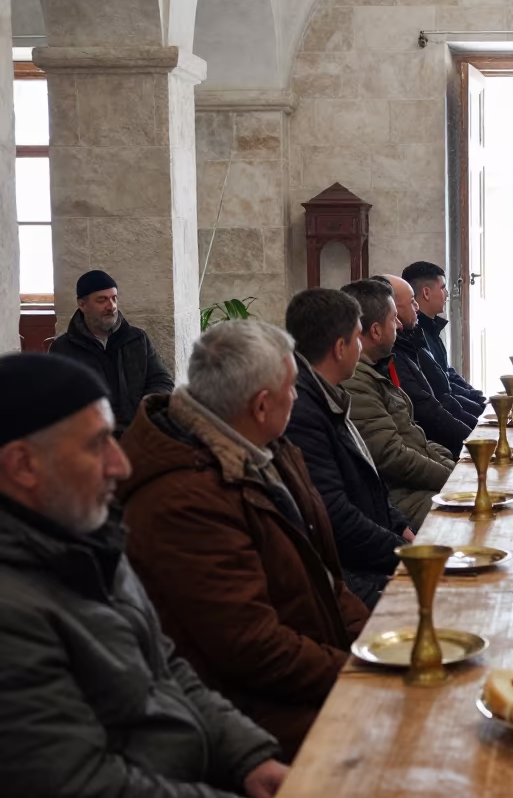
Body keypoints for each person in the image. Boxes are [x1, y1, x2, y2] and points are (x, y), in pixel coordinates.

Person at [0, 352, 288, 795]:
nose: (121, 465)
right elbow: (82, 785)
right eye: (97, 444)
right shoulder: (13, 611)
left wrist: (248, 756)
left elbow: (166, 666)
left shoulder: (87, 539)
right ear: (23, 466)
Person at [117, 321, 370, 760]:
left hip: (315, 668)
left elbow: (322, 574)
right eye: (292, 387)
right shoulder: (183, 502)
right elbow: (252, 648)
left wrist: (374, 640)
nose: (298, 397)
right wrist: (360, 672)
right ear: (260, 405)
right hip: (253, 719)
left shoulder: (264, 445)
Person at [284, 288, 414, 608]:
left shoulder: (325, 392)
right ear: (340, 347)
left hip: (371, 554)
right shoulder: (303, 410)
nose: (361, 345)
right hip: (350, 576)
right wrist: (407, 556)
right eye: (358, 337)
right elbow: (336, 519)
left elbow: (369, 483)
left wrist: (403, 531)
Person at [342, 278, 454, 531]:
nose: (401, 326)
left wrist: (452, 465)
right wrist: (454, 479)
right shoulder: (355, 381)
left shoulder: (374, 370)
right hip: (405, 499)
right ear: (376, 331)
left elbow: (415, 436)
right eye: (394, 319)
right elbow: (392, 456)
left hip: (418, 487)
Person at [49, 270, 174, 435]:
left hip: (138, 432)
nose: (111, 306)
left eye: (114, 298)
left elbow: (162, 381)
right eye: (102, 300)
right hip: (91, 438)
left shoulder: (137, 339)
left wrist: (145, 412)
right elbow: (57, 401)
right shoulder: (63, 349)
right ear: (82, 305)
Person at [381, 274, 476, 456]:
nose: (416, 308)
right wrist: (472, 440)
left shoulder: (413, 339)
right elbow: (428, 412)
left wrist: (480, 409)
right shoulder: (394, 356)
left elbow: (446, 382)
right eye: (411, 302)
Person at [402, 260, 485, 401]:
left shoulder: (431, 328)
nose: (447, 294)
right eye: (443, 287)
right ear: (426, 293)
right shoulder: (415, 335)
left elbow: (447, 372)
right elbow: (439, 391)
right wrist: (474, 402)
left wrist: (473, 393)